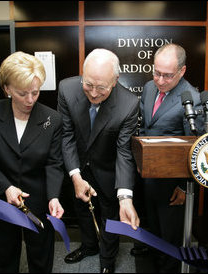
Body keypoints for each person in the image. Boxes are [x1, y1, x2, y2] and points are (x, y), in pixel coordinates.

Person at [0, 51, 64, 273]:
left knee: (41, 252)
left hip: (39, 197)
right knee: (6, 250)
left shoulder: (52, 119)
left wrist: (53, 196)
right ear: (7, 89)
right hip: (3, 195)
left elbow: (54, 163)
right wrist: (6, 187)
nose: (30, 100)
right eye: (23, 93)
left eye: (35, 92)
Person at [57, 48, 140, 273]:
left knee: (110, 217)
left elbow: (124, 151)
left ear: (115, 81)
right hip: (78, 165)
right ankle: (89, 246)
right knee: (82, 209)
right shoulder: (66, 88)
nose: (93, 93)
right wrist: (75, 174)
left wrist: (125, 197)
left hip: (108, 167)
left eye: (101, 87)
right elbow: (67, 135)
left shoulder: (129, 104)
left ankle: (107, 261)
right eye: (88, 84)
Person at [138, 43, 205, 273]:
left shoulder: (192, 99)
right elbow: (145, 126)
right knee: (154, 229)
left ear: (182, 71)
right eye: (156, 72)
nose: (160, 80)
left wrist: (184, 187)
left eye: (167, 75)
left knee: (170, 236)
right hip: (149, 176)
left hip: (174, 185)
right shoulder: (148, 88)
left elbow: (197, 148)